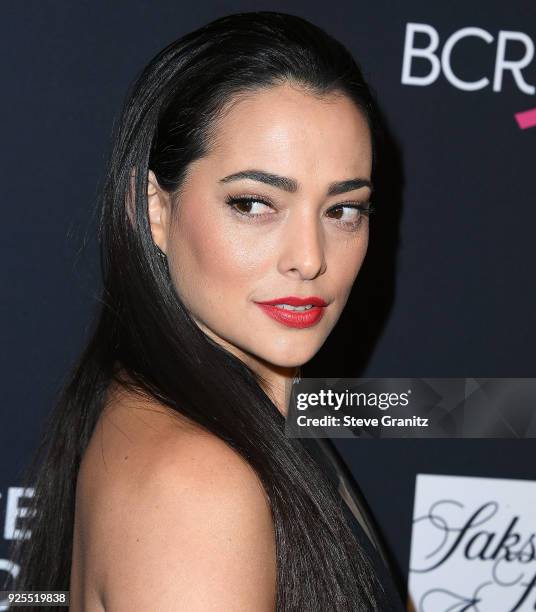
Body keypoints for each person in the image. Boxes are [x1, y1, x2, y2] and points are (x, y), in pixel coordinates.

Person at [7, 11, 406, 611]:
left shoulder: (243, 404)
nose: (310, 259)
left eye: (343, 210)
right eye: (253, 204)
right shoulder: (195, 487)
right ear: (156, 209)